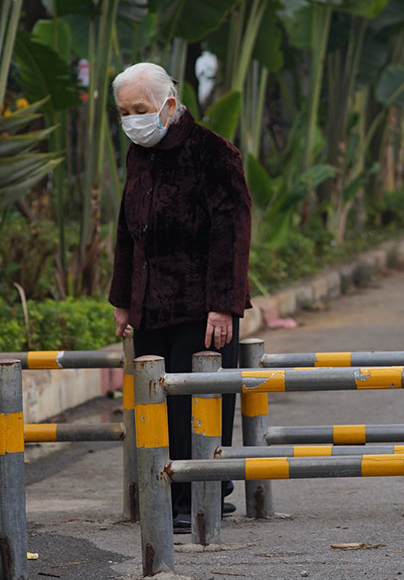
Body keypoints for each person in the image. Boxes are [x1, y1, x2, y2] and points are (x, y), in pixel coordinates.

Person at [108, 62, 253, 533]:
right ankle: (172, 496)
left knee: (196, 402)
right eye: (124, 111)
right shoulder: (138, 154)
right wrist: (123, 298)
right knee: (158, 405)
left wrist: (224, 303)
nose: (132, 119)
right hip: (151, 303)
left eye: (140, 109)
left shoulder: (213, 152)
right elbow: (127, 231)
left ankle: (200, 495)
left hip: (201, 305)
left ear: (169, 105)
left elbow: (233, 232)